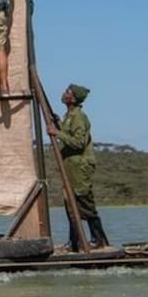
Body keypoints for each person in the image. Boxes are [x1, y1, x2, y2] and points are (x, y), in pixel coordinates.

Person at [45, 84, 110, 251]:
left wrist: (56, 133)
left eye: (68, 92)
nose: (64, 93)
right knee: (70, 205)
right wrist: (59, 124)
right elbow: (69, 134)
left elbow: (78, 142)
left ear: (73, 98)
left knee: (84, 201)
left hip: (80, 166)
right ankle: (75, 242)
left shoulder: (79, 117)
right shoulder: (69, 116)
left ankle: (98, 239)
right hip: (70, 166)